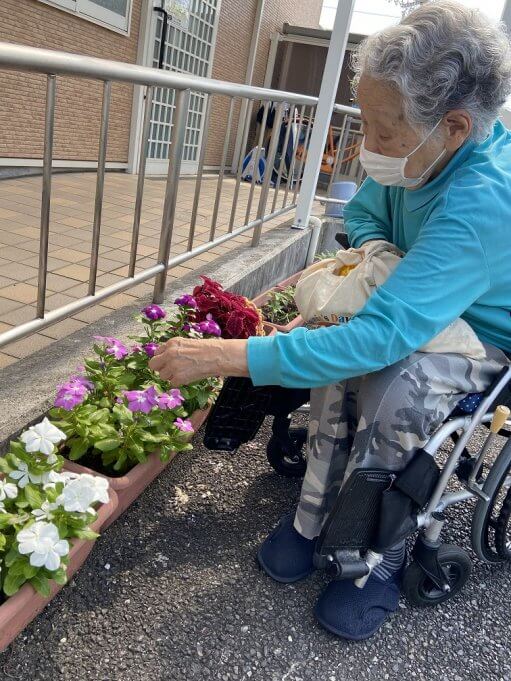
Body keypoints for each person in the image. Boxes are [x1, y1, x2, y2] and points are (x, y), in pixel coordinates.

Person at [150, 1, 511, 640]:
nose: (367, 147)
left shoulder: (483, 200)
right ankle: (311, 516)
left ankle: (377, 557)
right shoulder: (414, 154)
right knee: (336, 345)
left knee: (390, 382)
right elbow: (366, 219)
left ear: (455, 126)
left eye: (383, 132)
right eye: (364, 123)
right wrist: (387, 260)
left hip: (483, 333)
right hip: (409, 297)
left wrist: (225, 356)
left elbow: (380, 339)